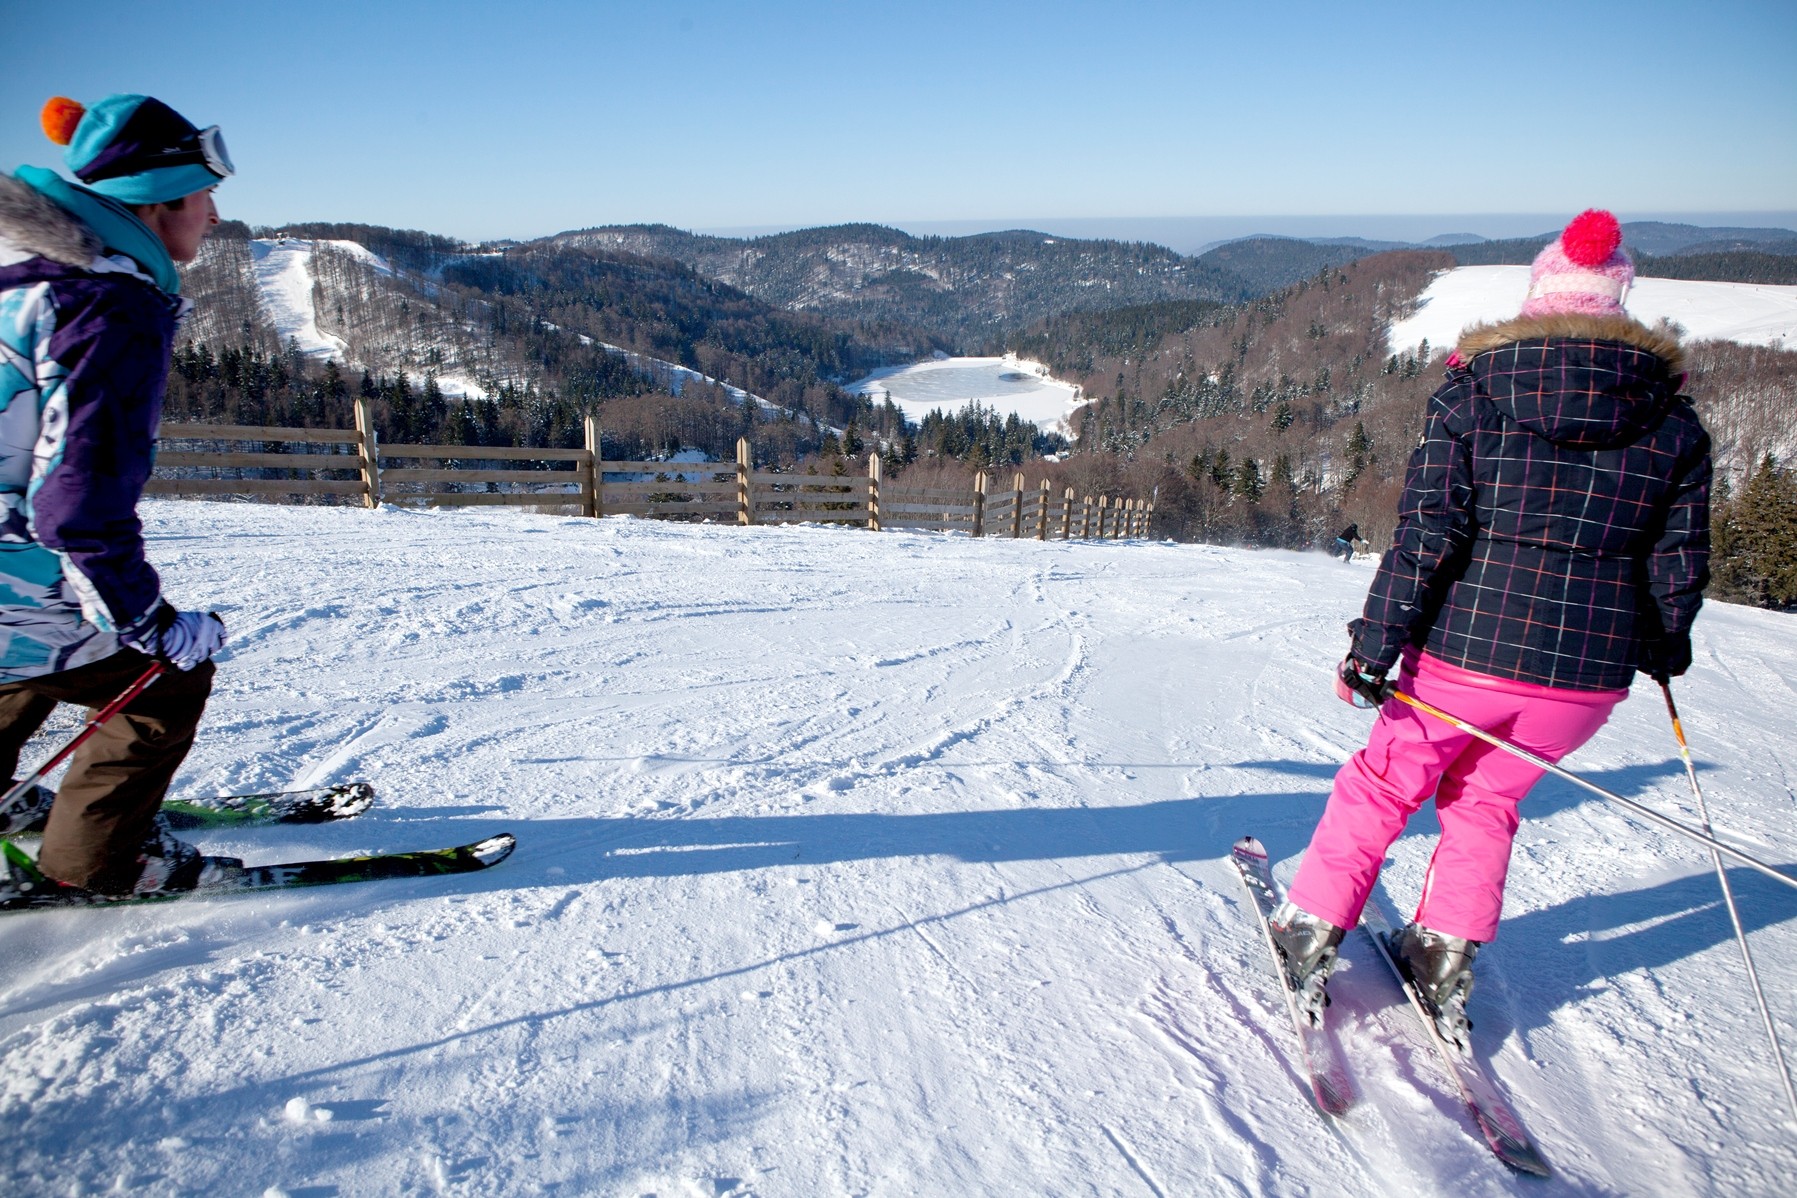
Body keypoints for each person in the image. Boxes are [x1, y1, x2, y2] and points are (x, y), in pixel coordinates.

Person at [1267, 210, 1711, 1045]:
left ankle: (1311, 924)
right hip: (1585, 677)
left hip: (1463, 657)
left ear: (1539, 299)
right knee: (1485, 800)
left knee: (1383, 783)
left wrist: (1373, 647)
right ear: (1619, 305)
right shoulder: (1673, 422)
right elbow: (1678, 556)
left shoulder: (1475, 395)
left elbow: (1427, 532)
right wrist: (1660, 644)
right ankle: (1441, 949)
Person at [0, 94, 236, 896]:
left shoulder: (17, 269)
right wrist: (151, 625)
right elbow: (75, 506)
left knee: (26, 652)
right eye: (204, 193)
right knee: (162, 681)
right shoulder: (103, 302)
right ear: (160, 199)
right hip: (8, 571)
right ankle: (96, 864)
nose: (212, 212)